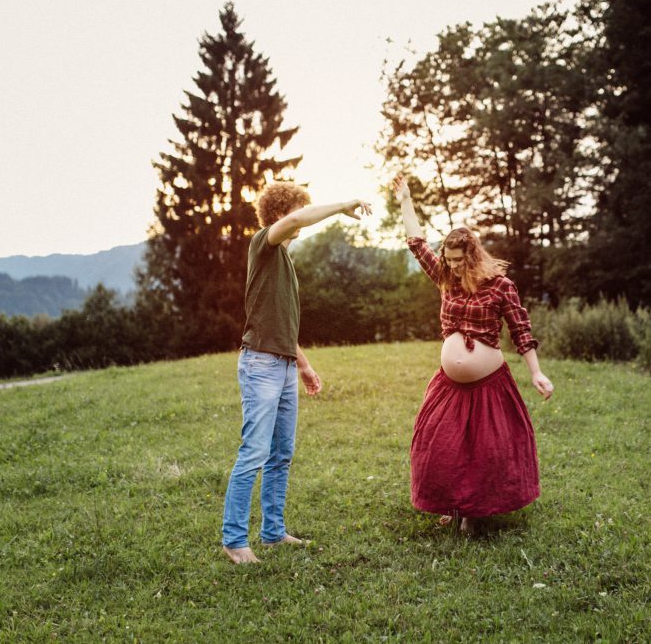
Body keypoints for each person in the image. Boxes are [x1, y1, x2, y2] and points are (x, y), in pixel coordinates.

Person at [392, 174, 554, 534]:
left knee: (486, 451)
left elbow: (520, 329)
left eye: (457, 260)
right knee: (439, 447)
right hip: (449, 383)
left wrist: (536, 373)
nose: (451, 266)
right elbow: (417, 245)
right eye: (447, 259)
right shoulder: (446, 279)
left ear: (473, 254)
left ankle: (475, 512)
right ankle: (453, 503)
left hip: (488, 384)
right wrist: (406, 200)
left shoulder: (500, 287)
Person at [222, 182, 372, 564]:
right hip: (260, 365)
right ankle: (234, 541)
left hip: (283, 364)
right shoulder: (263, 243)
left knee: (281, 454)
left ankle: (273, 533)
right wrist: (342, 205)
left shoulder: (284, 261)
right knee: (254, 451)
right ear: (280, 215)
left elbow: (281, 322)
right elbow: (298, 219)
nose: (301, 219)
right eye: (296, 211)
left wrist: (303, 364)